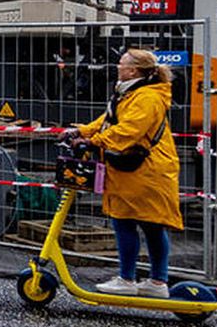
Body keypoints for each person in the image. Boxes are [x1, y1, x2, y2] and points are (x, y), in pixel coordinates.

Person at [67, 47, 183, 297]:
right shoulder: (134, 94)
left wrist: (95, 142)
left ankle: (129, 279)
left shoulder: (147, 98)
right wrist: (84, 131)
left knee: (127, 222)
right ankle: (156, 282)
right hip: (142, 170)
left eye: (122, 63)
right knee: (149, 224)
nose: (118, 67)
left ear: (133, 70)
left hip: (144, 170)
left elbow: (130, 130)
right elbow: (109, 120)